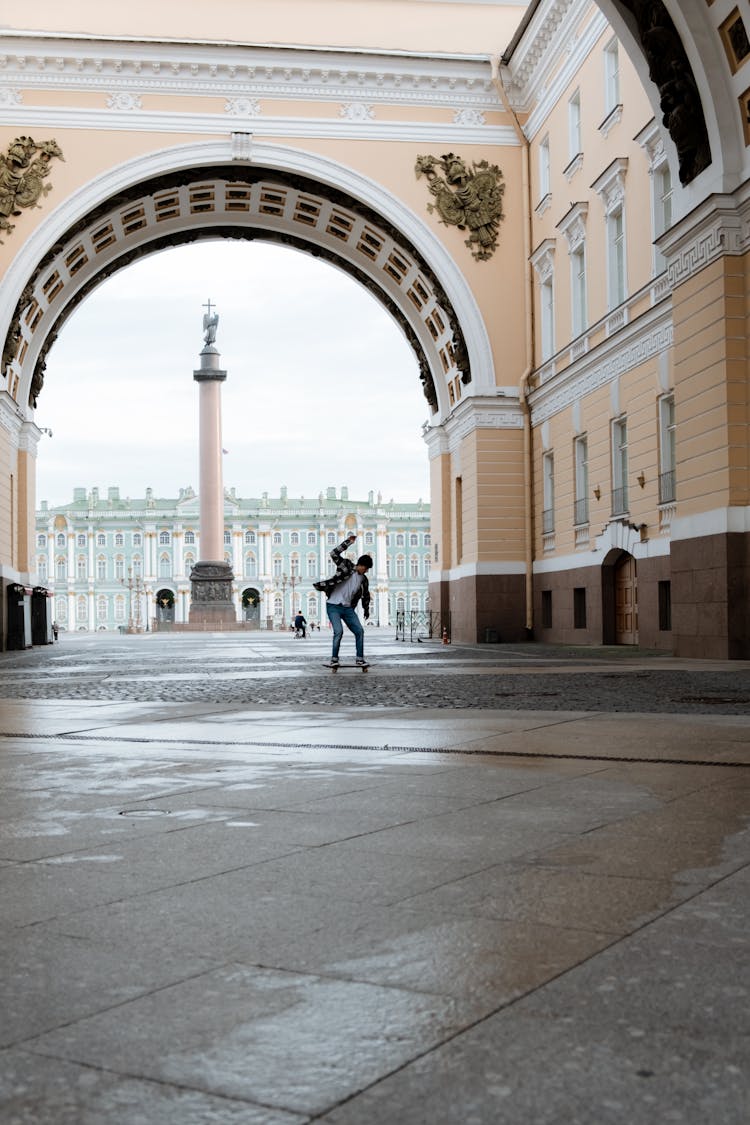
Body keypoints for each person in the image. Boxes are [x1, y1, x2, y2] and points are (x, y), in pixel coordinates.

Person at [314, 533, 372, 666]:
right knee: (339, 631)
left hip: (348, 609)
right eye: (367, 568)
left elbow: (366, 595)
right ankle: (334, 659)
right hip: (333, 606)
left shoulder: (364, 580)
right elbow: (334, 554)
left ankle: (359, 659)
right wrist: (348, 542)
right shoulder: (346, 565)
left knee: (359, 631)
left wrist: (366, 609)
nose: (367, 571)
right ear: (362, 565)